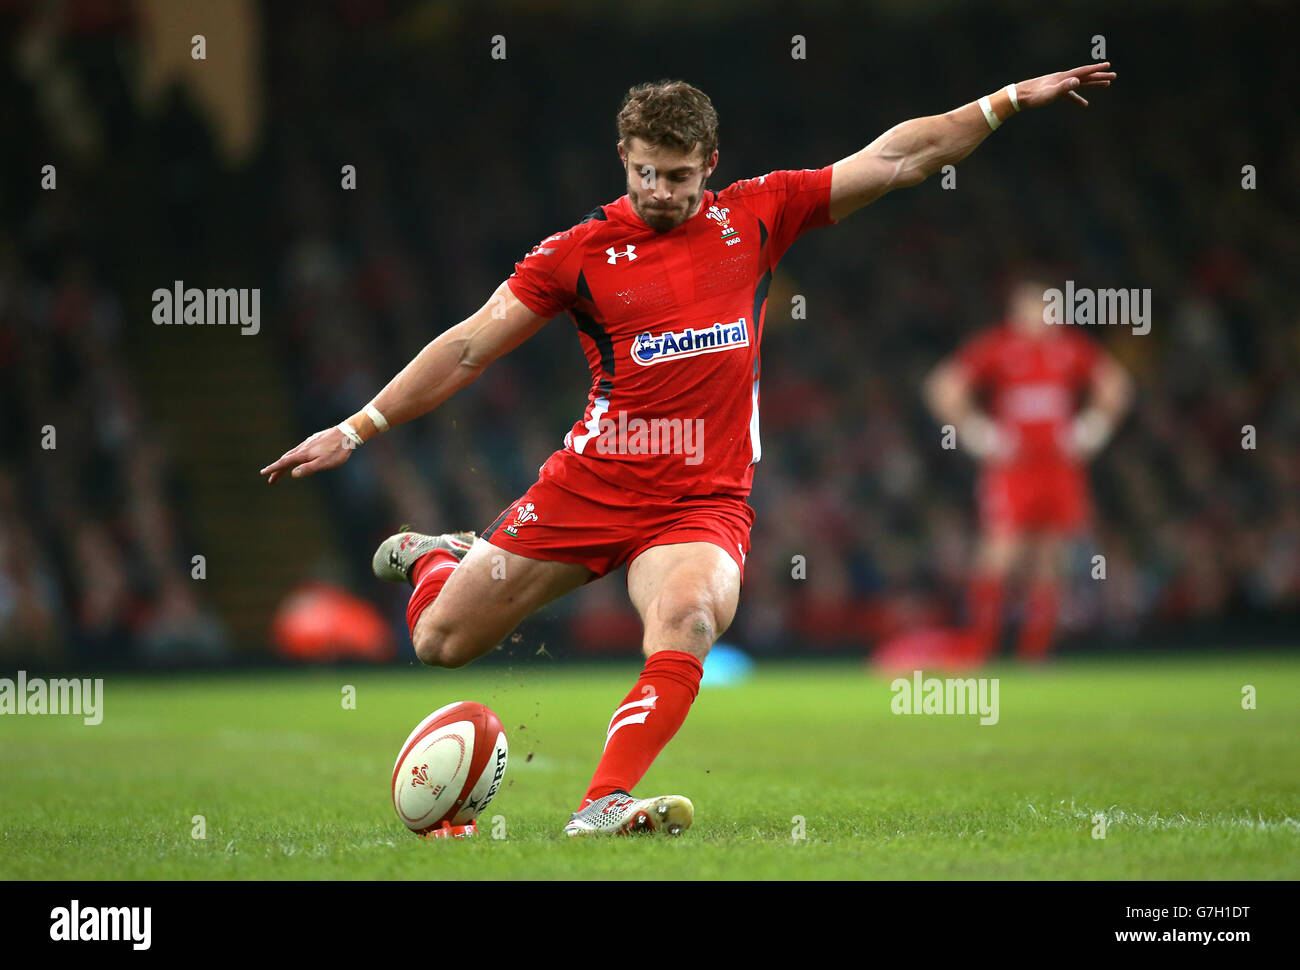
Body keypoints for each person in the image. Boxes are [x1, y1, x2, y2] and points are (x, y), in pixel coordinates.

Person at [261, 65, 1116, 836]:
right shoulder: (576, 255)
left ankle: (603, 803)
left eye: (677, 175)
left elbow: (900, 158)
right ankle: (435, 562)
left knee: (692, 619)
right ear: (622, 158)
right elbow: (468, 348)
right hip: (591, 484)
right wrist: (356, 427)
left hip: (700, 502)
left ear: (711, 162)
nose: (660, 191)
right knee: (441, 645)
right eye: (644, 173)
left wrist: (1003, 102)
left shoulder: (758, 213)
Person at [923, 274, 1133, 665]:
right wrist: (977, 433)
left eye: (1047, 309)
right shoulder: (999, 347)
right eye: (1033, 309)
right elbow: (943, 386)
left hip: (1058, 466)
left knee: (1051, 558)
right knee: (1001, 553)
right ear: (1015, 312)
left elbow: (1116, 385)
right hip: (1014, 468)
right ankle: (980, 649)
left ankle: (1034, 655)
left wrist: (1093, 430)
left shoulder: (1071, 349)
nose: (1041, 317)